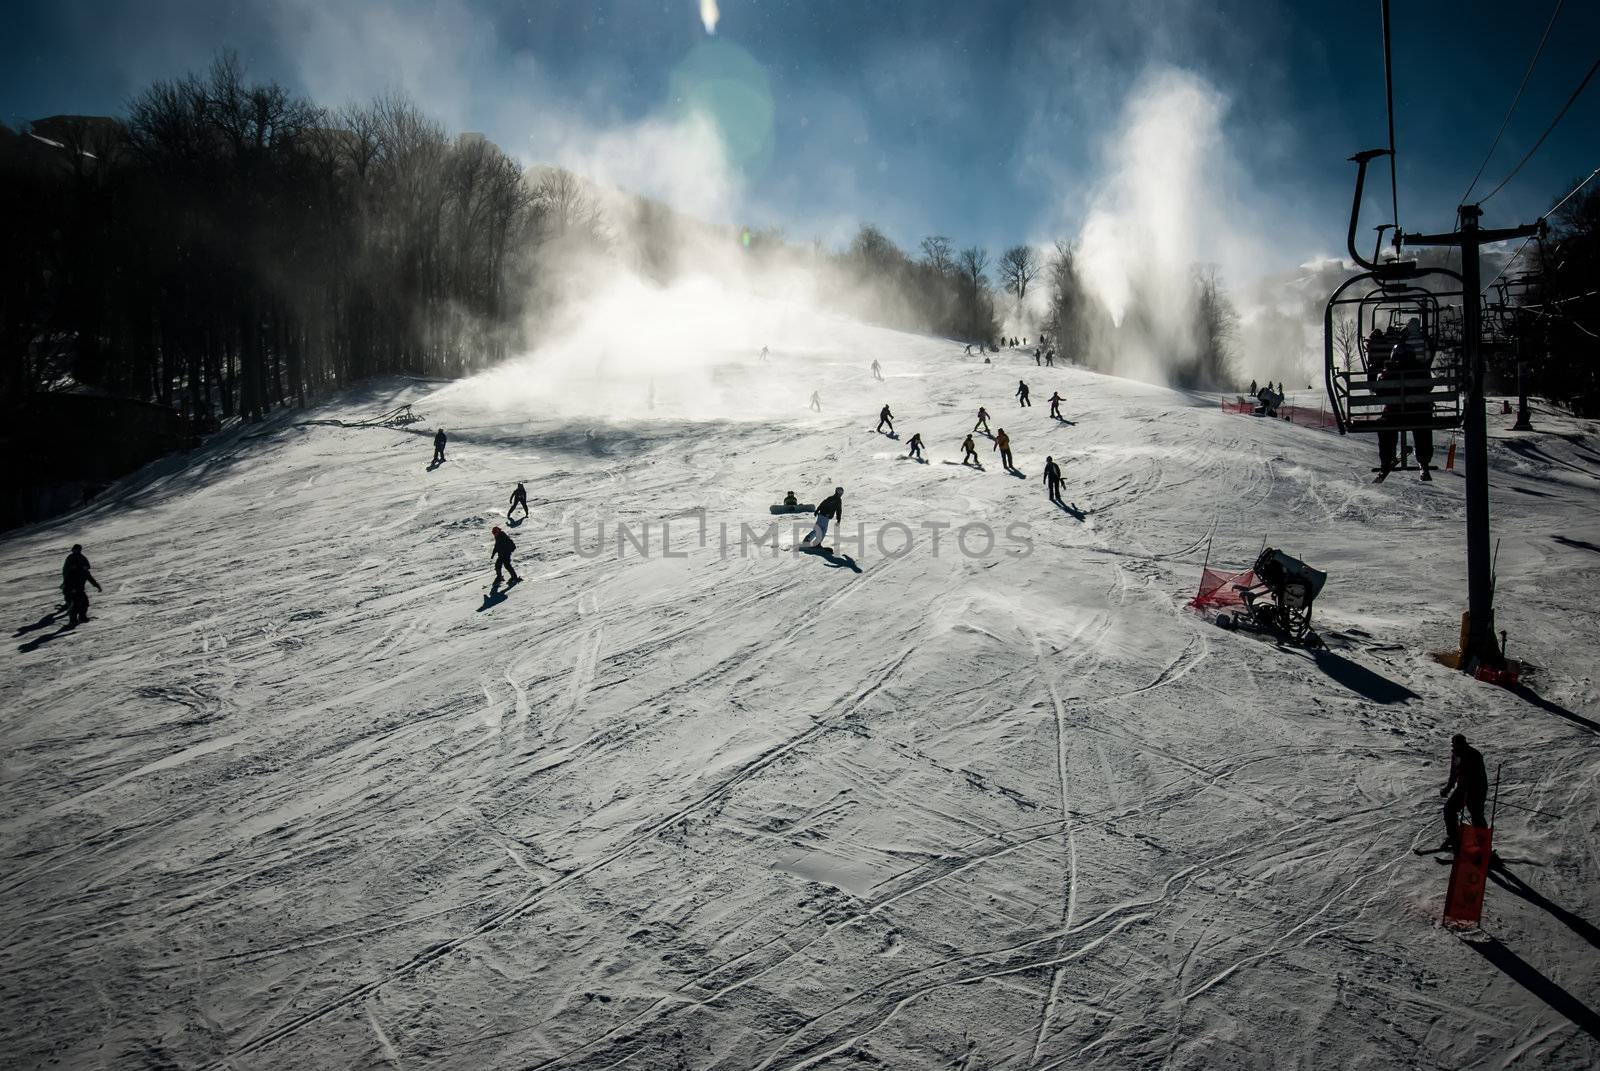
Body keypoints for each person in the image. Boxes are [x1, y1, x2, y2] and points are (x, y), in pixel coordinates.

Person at [1438, 733, 1488, 853]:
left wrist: (1469, 791)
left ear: (1462, 744)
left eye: (1456, 744)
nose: (1454, 747)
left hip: (1477, 789)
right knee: (1449, 809)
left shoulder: (1473, 754)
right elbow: (1454, 774)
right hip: (1463, 788)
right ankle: (1455, 837)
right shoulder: (1456, 754)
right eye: (1453, 744)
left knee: (1476, 815)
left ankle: (1483, 844)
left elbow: (1477, 775)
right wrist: (1448, 789)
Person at [61, 544, 101, 627]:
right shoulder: (72, 562)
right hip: (73, 588)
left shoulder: (83, 567)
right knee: (76, 604)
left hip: (79, 588)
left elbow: (90, 578)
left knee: (84, 603)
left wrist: (97, 585)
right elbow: (67, 574)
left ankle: (82, 617)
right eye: (75, 549)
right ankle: (73, 620)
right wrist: (70, 587)